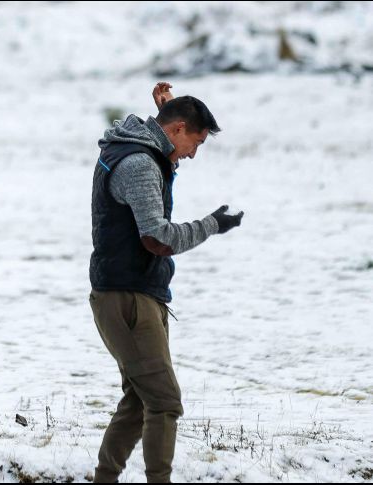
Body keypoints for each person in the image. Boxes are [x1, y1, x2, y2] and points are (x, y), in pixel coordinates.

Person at [89, 83, 244, 483]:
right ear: (176, 129)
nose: (194, 152)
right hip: (129, 298)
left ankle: (105, 478)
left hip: (131, 292)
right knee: (164, 401)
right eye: (196, 141)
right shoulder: (140, 162)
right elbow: (157, 237)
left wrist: (165, 140)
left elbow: (154, 173)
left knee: (141, 399)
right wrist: (212, 225)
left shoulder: (141, 151)